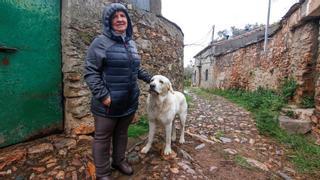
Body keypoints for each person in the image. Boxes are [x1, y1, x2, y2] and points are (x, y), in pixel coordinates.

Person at [84, 3, 152, 179]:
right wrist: (103, 95)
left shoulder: (131, 43)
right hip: (108, 104)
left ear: (127, 20)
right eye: (115, 17)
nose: (120, 19)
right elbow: (91, 72)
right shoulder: (100, 43)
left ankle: (119, 160)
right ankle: (102, 173)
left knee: (122, 133)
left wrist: (152, 79)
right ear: (108, 21)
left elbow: (134, 69)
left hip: (129, 101)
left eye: (123, 16)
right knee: (102, 137)